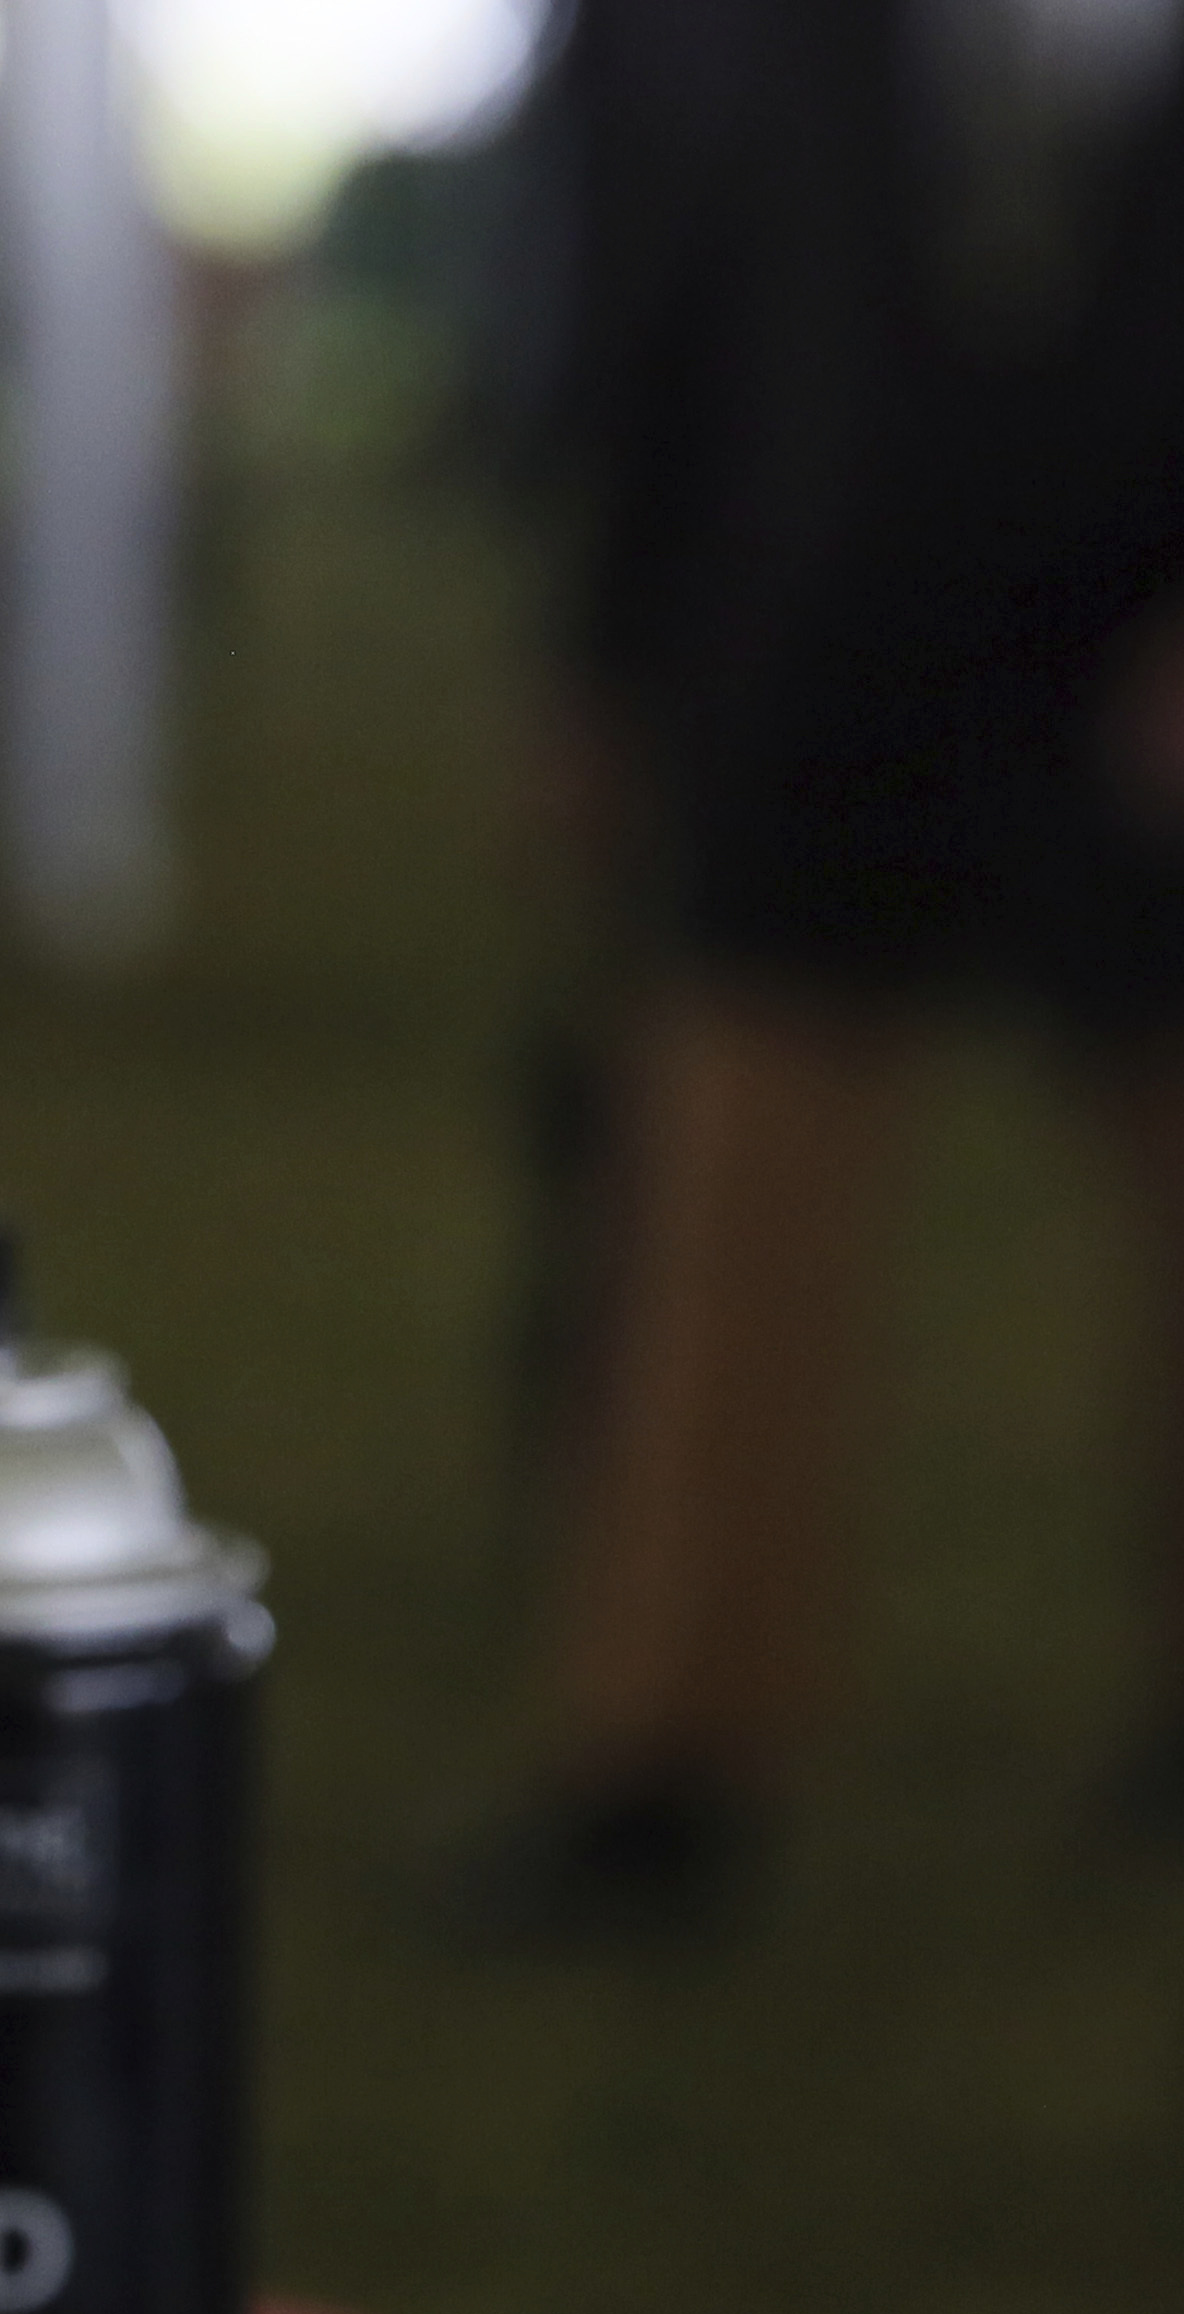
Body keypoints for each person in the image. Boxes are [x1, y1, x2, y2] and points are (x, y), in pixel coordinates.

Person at [476, 0, 1184, 1930]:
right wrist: (607, 657)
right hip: (809, 654)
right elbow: (660, 282)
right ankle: (670, 1757)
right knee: (724, 1212)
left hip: (1138, 680)